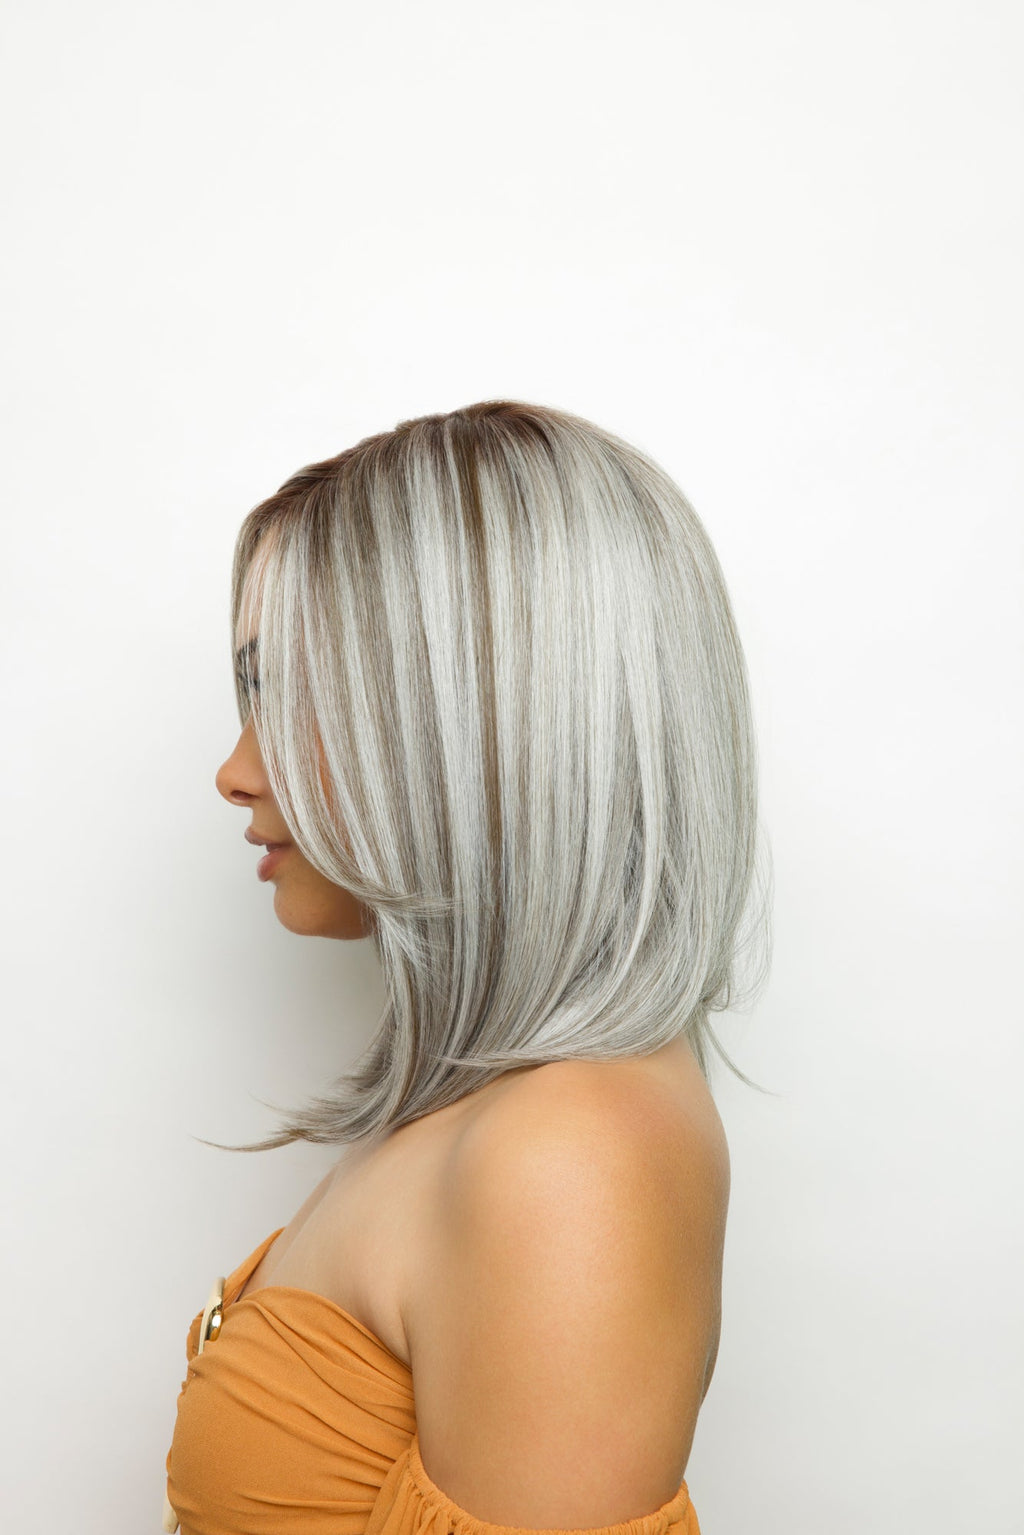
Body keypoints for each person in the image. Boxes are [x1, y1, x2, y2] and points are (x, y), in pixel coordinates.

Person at [162, 399, 772, 1535]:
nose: (235, 771)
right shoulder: (501, 1115)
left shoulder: (572, 1152)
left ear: (476, 727)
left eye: (283, 690)